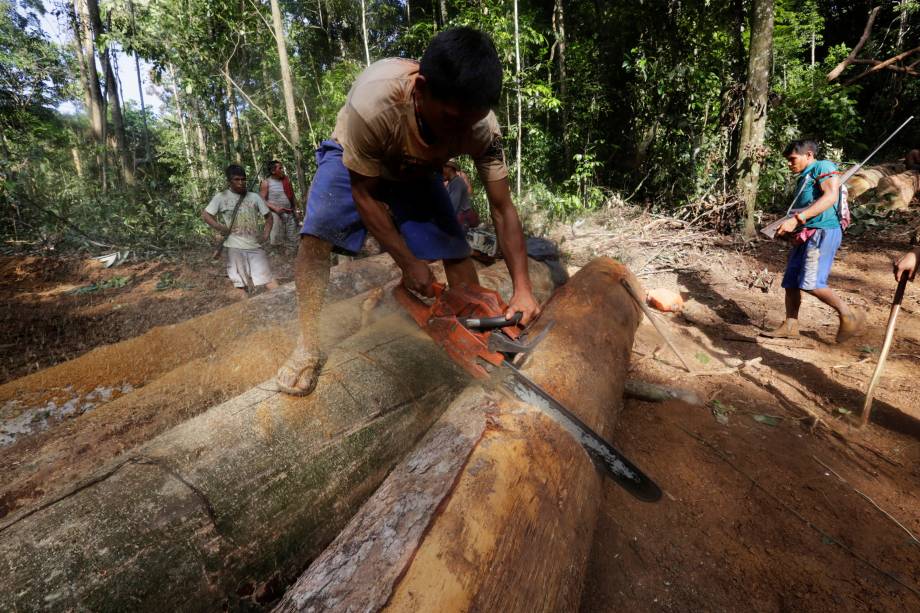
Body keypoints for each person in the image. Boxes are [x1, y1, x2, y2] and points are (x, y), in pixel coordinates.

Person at [275, 27, 541, 396]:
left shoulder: (481, 127)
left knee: (455, 249)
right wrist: (407, 262)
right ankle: (307, 345)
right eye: (451, 120)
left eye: (470, 121)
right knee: (315, 236)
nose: (460, 131)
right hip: (356, 158)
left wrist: (523, 290)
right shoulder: (374, 105)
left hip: (417, 167)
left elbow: (502, 208)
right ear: (421, 89)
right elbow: (364, 195)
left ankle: (475, 335)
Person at [763, 139, 864, 343]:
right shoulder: (804, 177)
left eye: (792, 159)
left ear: (808, 155)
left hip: (822, 232)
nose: (789, 164)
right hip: (806, 233)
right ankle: (790, 326)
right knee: (791, 281)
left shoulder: (823, 166)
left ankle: (849, 315)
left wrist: (797, 220)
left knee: (811, 283)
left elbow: (830, 197)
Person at [202, 164, 279, 297]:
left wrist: (266, 234)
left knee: (268, 279)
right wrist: (219, 227)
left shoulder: (254, 197)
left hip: (254, 246)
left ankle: (285, 306)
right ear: (229, 181)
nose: (241, 183)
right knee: (240, 286)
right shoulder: (221, 197)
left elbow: (269, 217)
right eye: (236, 180)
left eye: (243, 179)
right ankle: (248, 314)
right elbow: (206, 214)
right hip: (234, 248)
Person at [259, 160, 299, 252]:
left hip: (289, 212)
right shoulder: (266, 183)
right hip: (275, 214)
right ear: (273, 171)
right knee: (277, 239)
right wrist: (275, 208)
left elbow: (292, 196)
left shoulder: (287, 180)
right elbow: (261, 200)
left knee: (293, 239)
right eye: (280, 168)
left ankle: (290, 257)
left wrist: (296, 210)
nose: (282, 170)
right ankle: (278, 259)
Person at [443, 158, 478, 230]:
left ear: (449, 168)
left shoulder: (457, 183)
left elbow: (453, 207)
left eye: (443, 168)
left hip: (460, 222)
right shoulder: (451, 183)